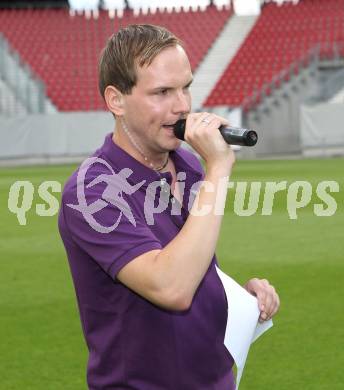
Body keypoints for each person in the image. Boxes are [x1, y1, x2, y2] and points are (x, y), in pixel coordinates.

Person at [58, 24, 280, 390]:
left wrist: (240, 300)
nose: (182, 107)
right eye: (162, 92)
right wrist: (220, 168)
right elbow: (171, 288)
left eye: (185, 87)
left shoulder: (189, 165)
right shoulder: (92, 191)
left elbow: (192, 264)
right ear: (116, 100)